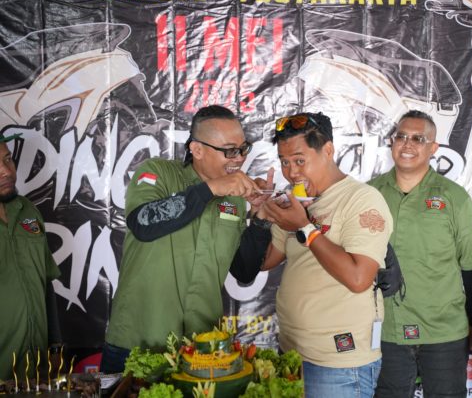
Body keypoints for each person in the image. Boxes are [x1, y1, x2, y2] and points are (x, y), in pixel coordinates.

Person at [102, 106, 272, 372]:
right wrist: (210, 189)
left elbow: (243, 270)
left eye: (243, 149)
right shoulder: (157, 172)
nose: (239, 158)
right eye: (230, 150)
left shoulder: (235, 199)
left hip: (201, 347)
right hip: (138, 341)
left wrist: (260, 219)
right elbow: (143, 223)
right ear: (197, 149)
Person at [257, 112, 393, 398]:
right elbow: (266, 260)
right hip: (291, 351)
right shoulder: (295, 200)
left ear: (328, 151)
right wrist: (260, 214)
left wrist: (305, 227)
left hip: (338, 362)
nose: (291, 172)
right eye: (284, 162)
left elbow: (358, 279)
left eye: (299, 161)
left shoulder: (361, 199)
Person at [368, 111, 472, 398]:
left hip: (443, 333)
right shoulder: (369, 194)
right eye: (401, 136)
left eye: (418, 139)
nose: (407, 144)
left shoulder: (454, 197)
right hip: (386, 330)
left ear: (433, 148)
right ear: (392, 142)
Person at [0, 133, 61, 380]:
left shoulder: (28, 211)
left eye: (8, 159)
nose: (6, 172)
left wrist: (55, 344)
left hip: (36, 370)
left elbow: (45, 281)